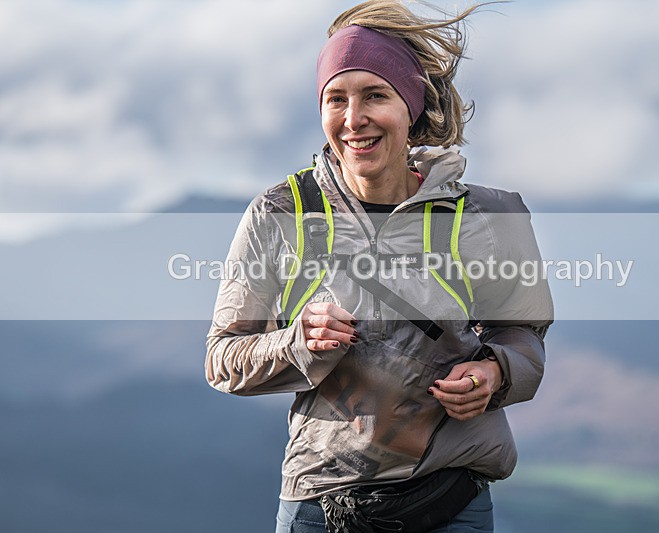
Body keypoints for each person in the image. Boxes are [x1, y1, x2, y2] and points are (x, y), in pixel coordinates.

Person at [205, 1, 554, 531]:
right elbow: (222, 358)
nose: (353, 119)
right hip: (320, 505)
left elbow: (523, 336)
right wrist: (297, 341)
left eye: (375, 95)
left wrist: (494, 372)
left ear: (410, 105)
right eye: (335, 99)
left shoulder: (487, 215)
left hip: (451, 500)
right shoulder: (280, 213)